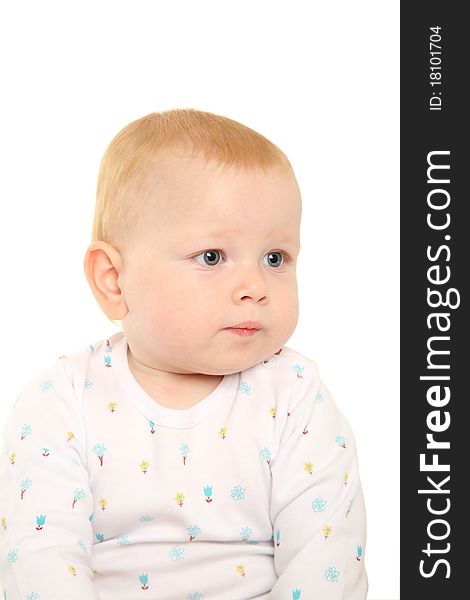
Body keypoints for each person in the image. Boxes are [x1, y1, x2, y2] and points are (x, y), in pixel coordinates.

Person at [0, 109, 368, 599]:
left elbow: (327, 557)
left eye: (275, 258)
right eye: (212, 257)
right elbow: (39, 557)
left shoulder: (295, 395)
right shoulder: (62, 399)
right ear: (114, 279)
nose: (255, 287)